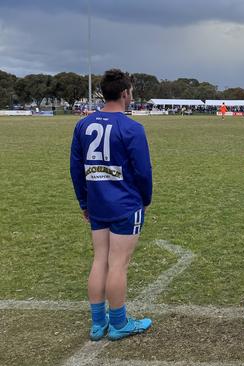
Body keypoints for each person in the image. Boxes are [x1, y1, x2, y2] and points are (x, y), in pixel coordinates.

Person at [70, 69, 153, 341]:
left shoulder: (83, 125)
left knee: (100, 260)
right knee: (118, 265)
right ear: (125, 93)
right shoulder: (131, 128)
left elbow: (76, 167)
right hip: (125, 204)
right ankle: (118, 323)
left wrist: (84, 201)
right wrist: (145, 199)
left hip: (97, 203)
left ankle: (98, 323)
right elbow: (143, 171)